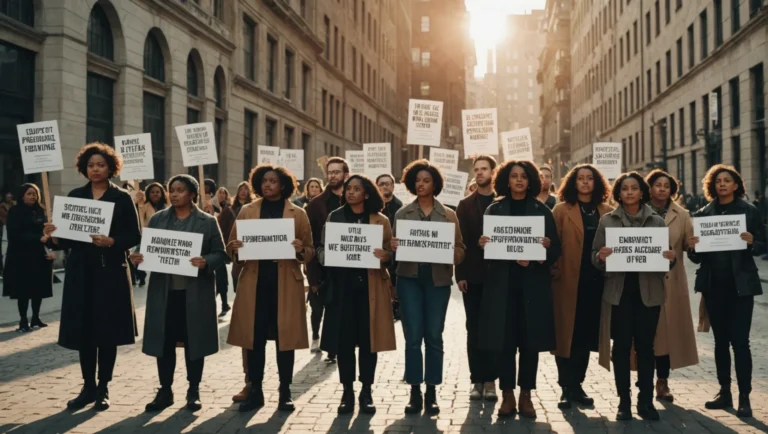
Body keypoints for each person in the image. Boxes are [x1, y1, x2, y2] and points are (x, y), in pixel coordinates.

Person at [43, 143, 141, 411]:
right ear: (84, 168)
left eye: (100, 164)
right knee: (84, 331)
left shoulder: (122, 198)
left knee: (107, 332)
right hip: (81, 273)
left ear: (110, 167)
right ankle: (87, 386)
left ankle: (103, 387)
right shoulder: (75, 196)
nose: (95, 169)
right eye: (90, 165)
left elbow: (134, 235)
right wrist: (52, 236)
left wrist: (112, 241)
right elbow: (62, 241)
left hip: (110, 272)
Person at [130, 175, 228, 413]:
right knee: (163, 342)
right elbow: (143, 248)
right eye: (171, 190)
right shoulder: (157, 219)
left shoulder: (207, 221)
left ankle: (193, 390)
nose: (174, 194)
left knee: (195, 341)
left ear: (192, 194)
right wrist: (137, 257)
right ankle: (165, 390)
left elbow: (221, 253)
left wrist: (206, 261)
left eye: (180, 190)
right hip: (164, 293)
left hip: (195, 293)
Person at [477, 160, 561, 419]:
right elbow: (489, 250)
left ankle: (526, 395)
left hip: (532, 287)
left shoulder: (542, 210)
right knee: (504, 343)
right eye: (514, 176)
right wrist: (484, 243)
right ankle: (507, 395)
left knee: (529, 343)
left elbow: (555, 249)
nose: (519, 180)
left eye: (524, 176)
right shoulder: (494, 210)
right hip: (502, 287)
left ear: (531, 180)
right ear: (506, 180)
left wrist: (542, 252)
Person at [226, 164, 314, 413]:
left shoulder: (298, 213)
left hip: (285, 283)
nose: (267, 185)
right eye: (264, 180)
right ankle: (255, 390)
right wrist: (235, 248)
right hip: (255, 283)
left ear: (283, 184)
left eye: (273, 181)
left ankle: (285, 391)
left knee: (285, 340)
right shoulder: (247, 211)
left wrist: (299, 250)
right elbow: (231, 248)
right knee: (253, 340)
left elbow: (309, 250)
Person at [592, 172, 675, 421]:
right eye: (625, 188)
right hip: (619, 293)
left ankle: (645, 401)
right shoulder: (607, 221)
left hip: (648, 293)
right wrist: (600, 257)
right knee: (621, 349)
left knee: (646, 348)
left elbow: (666, 258)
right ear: (619, 192)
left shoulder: (657, 222)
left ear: (642, 192)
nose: (629, 192)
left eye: (634, 188)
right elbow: (594, 254)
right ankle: (624, 401)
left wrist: (671, 258)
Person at [688, 165, 766, 418]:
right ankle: (725, 392)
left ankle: (744, 395)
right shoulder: (702, 214)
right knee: (720, 341)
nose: (722, 184)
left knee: (740, 342)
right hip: (714, 287)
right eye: (718, 181)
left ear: (736, 185)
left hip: (741, 286)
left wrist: (754, 243)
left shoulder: (749, 211)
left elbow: (764, 243)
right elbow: (696, 258)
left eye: (727, 180)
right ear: (712, 185)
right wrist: (693, 247)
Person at [391, 159, 465, 415]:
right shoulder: (402, 214)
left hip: (437, 282)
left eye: (426, 180)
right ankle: (414, 391)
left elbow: (460, 250)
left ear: (435, 184)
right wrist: (394, 248)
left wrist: (448, 254)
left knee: (434, 335)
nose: (421, 184)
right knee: (413, 338)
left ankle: (431, 390)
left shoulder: (448, 215)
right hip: (409, 279)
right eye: (417, 181)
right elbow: (393, 251)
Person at [317, 175, 396, 414]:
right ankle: (347, 392)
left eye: (356, 189)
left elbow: (389, 253)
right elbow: (321, 247)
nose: (350, 192)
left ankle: (367, 391)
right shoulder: (335, 217)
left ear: (367, 194)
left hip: (370, 291)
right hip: (342, 290)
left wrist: (386, 256)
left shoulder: (380, 220)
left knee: (369, 343)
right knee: (344, 344)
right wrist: (327, 256)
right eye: (348, 189)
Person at [551, 164, 613, 410]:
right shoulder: (560, 210)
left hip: (596, 282)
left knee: (585, 336)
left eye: (590, 178)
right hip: (567, 281)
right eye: (580, 179)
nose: (585, 182)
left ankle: (578, 384)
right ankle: (566, 387)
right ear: (572, 183)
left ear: (596, 183)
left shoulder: (607, 212)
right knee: (566, 335)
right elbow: (553, 245)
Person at [644, 170, 699, 402]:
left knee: (665, 334)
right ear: (650, 187)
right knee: (646, 332)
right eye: (658, 184)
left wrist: (696, 245)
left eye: (667, 185)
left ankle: (662, 381)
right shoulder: (638, 210)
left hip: (670, 282)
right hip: (643, 279)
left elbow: (691, 251)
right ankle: (643, 381)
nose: (663, 188)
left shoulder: (682, 214)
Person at [455, 155, 499, 402]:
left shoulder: (503, 201)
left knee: (494, 329)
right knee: (473, 328)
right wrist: (459, 274)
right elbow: (459, 242)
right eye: (477, 169)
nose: (480, 172)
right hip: (473, 276)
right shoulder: (465, 204)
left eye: (484, 169)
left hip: (499, 277)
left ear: (493, 172)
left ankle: (492, 380)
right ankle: (477, 380)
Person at [306, 157, 349, 359]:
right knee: (320, 309)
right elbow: (311, 242)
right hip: (324, 269)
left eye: (337, 172)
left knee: (342, 312)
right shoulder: (316, 205)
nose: (332, 175)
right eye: (330, 172)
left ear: (345, 175)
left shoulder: (355, 200)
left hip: (349, 268)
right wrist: (313, 277)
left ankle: (336, 348)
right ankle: (321, 340)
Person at [2, 183, 53, 332]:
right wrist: (38, 238)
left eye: (35, 194)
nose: (33, 196)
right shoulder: (15, 211)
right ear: (22, 195)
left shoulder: (41, 211)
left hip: (39, 256)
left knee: (38, 289)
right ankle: (23, 319)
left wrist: (50, 246)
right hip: (20, 257)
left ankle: (36, 317)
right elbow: (15, 235)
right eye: (29, 194)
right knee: (23, 290)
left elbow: (48, 233)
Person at [376, 173, 403, 321]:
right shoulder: (372, 206)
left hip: (394, 254)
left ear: (393, 186)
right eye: (381, 184)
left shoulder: (400, 207)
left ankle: (395, 306)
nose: (385, 186)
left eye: (388, 183)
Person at [133, 182, 169, 286]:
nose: (155, 194)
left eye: (158, 192)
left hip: (165, 240)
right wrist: (138, 203)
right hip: (148, 239)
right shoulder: (144, 206)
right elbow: (139, 218)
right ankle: (141, 276)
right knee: (137, 260)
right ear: (148, 194)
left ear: (162, 193)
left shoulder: (167, 206)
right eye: (152, 192)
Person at [215, 187, 235, 316]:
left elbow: (229, 228)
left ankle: (224, 303)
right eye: (219, 192)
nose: (222, 195)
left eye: (224, 193)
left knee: (221, 277)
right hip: (209, 246)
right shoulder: (209, 206)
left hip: (220, 247)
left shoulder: (228, 210)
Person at [0, 190, 15, 273]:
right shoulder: (2, 206)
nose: (9, 198)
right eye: (8, 196)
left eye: (10, 196)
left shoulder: (13, 204)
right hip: (4, 228)